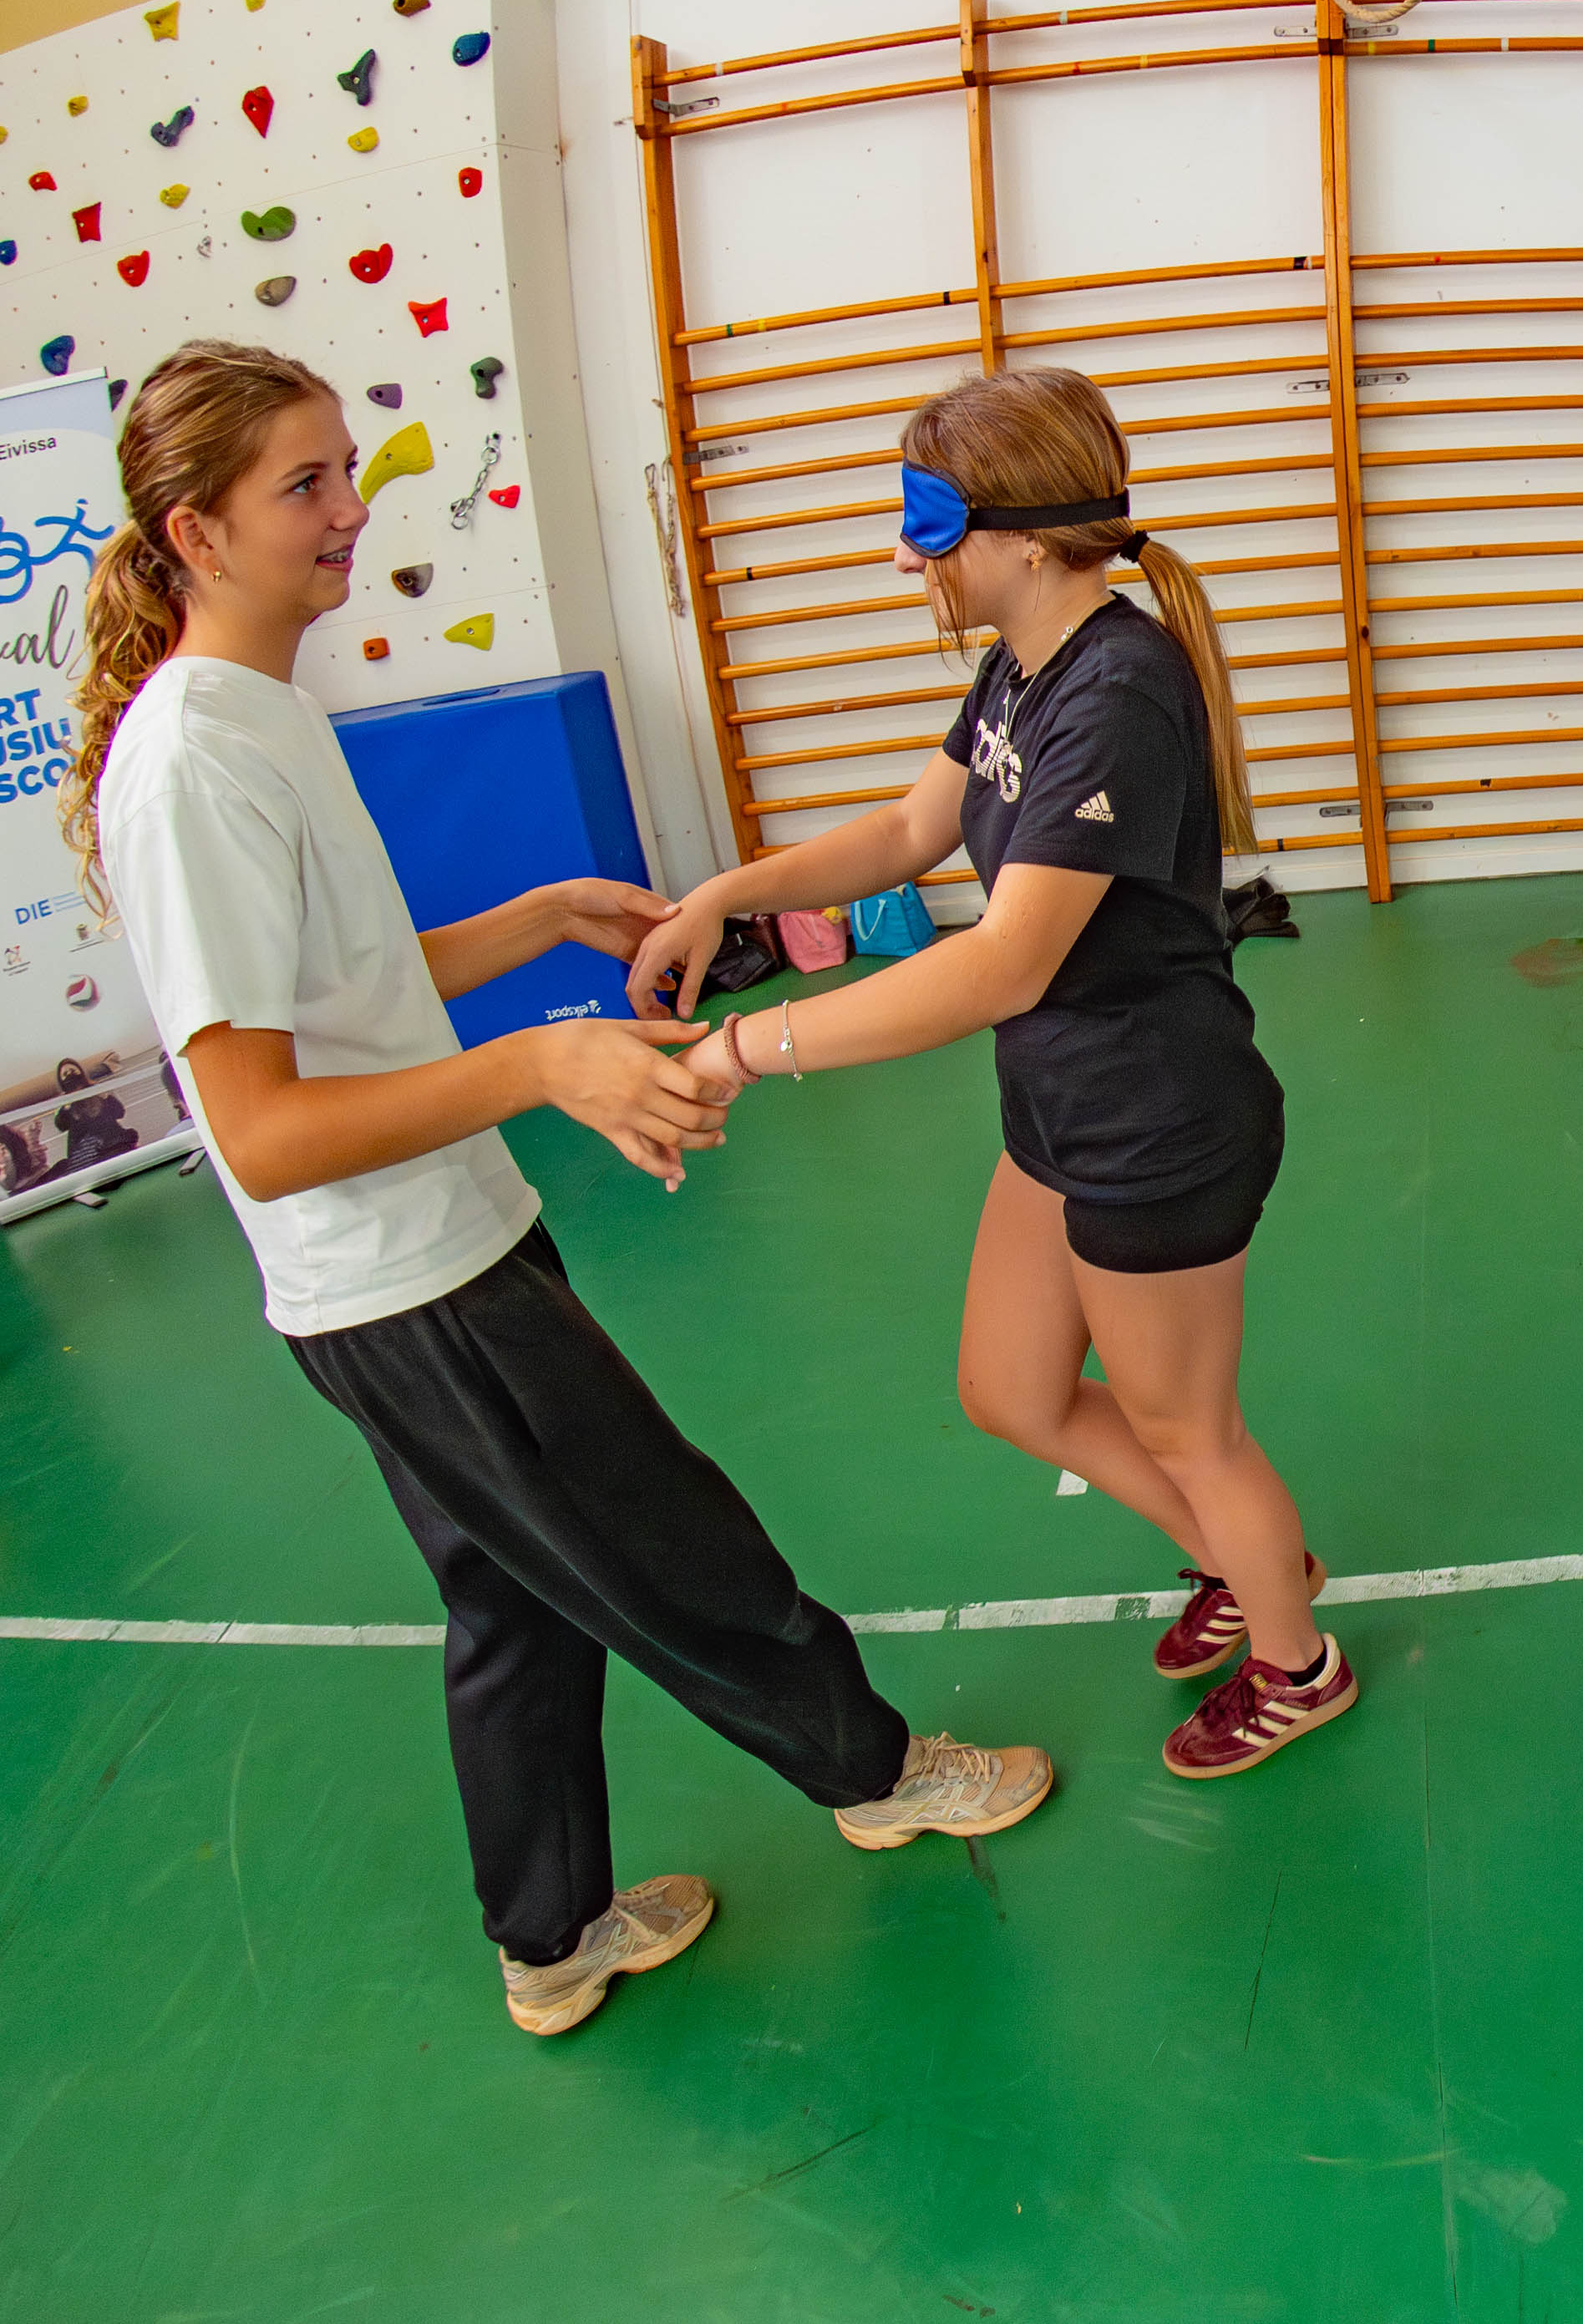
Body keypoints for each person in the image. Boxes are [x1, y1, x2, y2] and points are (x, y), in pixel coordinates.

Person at [72, 341, 1053, 2040]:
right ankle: (879, 1771)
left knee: (514, 1606)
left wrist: (532, 924)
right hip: (406, 1285)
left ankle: (550, 1936)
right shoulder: (190, 767)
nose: (349, 508)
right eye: (304, 483)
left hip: (421, 1253)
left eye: (346, 468)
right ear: (196, 531)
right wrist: (542, 1065)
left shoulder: (258, 711)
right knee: (666, 1540)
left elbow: (338, 986)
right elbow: (260, 1127)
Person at [627, 367, 1340, 1780]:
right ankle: (1242, 1555)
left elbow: (1003, 963)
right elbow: (909, 830)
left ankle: (1295, 1657)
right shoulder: (1024, 663)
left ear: (1023, 534)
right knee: (1010, 1387)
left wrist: (746, 1046)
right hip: (1062, 1106)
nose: (908, 556)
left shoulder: (1118, 689)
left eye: (929, 523)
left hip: (1155, 1123)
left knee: (1186, 1428)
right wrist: (728, 892)